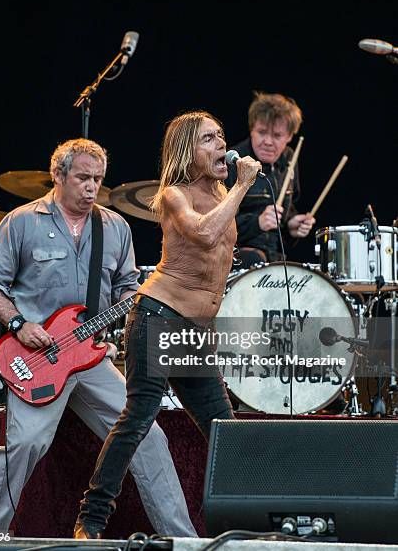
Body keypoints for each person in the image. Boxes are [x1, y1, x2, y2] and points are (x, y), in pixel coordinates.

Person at [0, 138, 197, 537]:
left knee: (150, 437)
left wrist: (128, 315)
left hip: (91, 360)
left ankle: (184, 540)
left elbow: (127, 287)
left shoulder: (114, 226)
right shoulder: (22, 221)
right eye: (83, 178)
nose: (92, 187)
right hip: (35, 358)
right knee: (24, 447)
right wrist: (21, 325)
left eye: (98, 180)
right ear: (58, 175)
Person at [73, 110, 262, 539]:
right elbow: (204, 235)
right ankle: (92, 518)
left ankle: (249, 522)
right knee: (138, 417)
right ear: (186, 151)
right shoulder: (175, 193)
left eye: (221, 137)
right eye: (209, 139)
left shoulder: (221, 193)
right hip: (159, 316)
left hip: (194, 333)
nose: (221, 145)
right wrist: (243, 184)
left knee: (223, 429)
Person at [225, 91, 315, 268]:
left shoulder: (289, 158)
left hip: (276, 257)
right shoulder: (233, 163)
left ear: (289, 137)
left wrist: (291, 225)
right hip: (239, 258)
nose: (267, 141)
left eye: (277, 135)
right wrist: (257, 222)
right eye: (262, 132)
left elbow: (286, 211)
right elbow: (216, 224)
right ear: (252, 129)